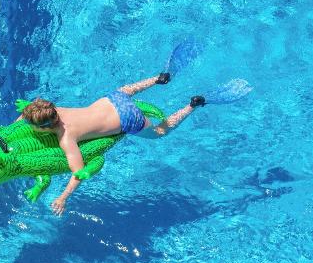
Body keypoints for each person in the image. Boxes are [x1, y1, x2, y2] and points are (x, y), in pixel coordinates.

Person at [19, 72, 205, 215]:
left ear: (45, 128)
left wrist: (63, 198)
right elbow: (27, 116)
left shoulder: (66, 138)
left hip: (128, 118)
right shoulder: (55, 110)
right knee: (129, 89)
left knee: (160, 132)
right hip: (112, 100)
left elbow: (79, 172)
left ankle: (191, 106)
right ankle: (159, 78)